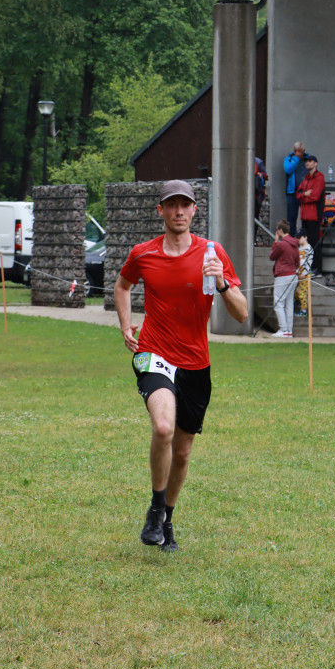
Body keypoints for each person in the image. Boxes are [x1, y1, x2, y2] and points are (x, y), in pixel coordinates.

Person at [114, 180, 248, 552]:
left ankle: (167, 521)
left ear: (194, 210)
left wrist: (221, 282)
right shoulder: (143, 253)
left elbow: (241, 314)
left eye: (184, 205)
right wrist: (126, 324)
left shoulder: (211, 252)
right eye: (171, 205)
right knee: (162, 427)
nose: (178, 212)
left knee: (183, 452)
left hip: (195, 363)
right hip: (153, 353)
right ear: (160, 211)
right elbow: (122, 286)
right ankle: (156, 509)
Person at [269, 219, 299, 338]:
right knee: (289, 303)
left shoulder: (282, 244)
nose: (276, 231)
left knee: (278, 302)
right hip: (293, 274)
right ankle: (289, 331)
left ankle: (283, 329)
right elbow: (297, 260)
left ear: (281, 230)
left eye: (277, 229)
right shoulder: (295, 243)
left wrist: (275, 241)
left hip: (283, 275)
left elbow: (272, 256)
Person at [295, 154, 325, 271]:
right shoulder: (307, 177)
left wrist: (303, 196)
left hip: (314, 215)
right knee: (306, 243)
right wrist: (305, 194)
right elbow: (298, 193)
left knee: (314, 242)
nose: (307, 163)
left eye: (310, 161)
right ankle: (309, 267)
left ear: (315, 163)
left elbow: (315, 196)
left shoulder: (319, 177)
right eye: (306, 161)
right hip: (305, 215)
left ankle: (317, 268)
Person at [283, 142, 312, 236]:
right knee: (291, 217)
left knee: (306, 217)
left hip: (306, 193)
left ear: (303, 151)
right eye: (295, 151)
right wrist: (295, 159)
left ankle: (304, 238)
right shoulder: (289, 159)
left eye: (299, 151)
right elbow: (287, 169)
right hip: (292, 192)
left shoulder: (308, 160)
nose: (296, 153)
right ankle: (291, 238)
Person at [294, 232, 313, 316]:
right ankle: (298, 300)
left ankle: (303, 310)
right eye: (297, 238)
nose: (298, 240)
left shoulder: (309, 249)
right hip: (297, 273)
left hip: (305, 274)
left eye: (299, 237)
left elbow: (309, 262)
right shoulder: (298, 248)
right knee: (293, 290)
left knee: (302, 292)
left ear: (305, 237)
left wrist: (304, 273)